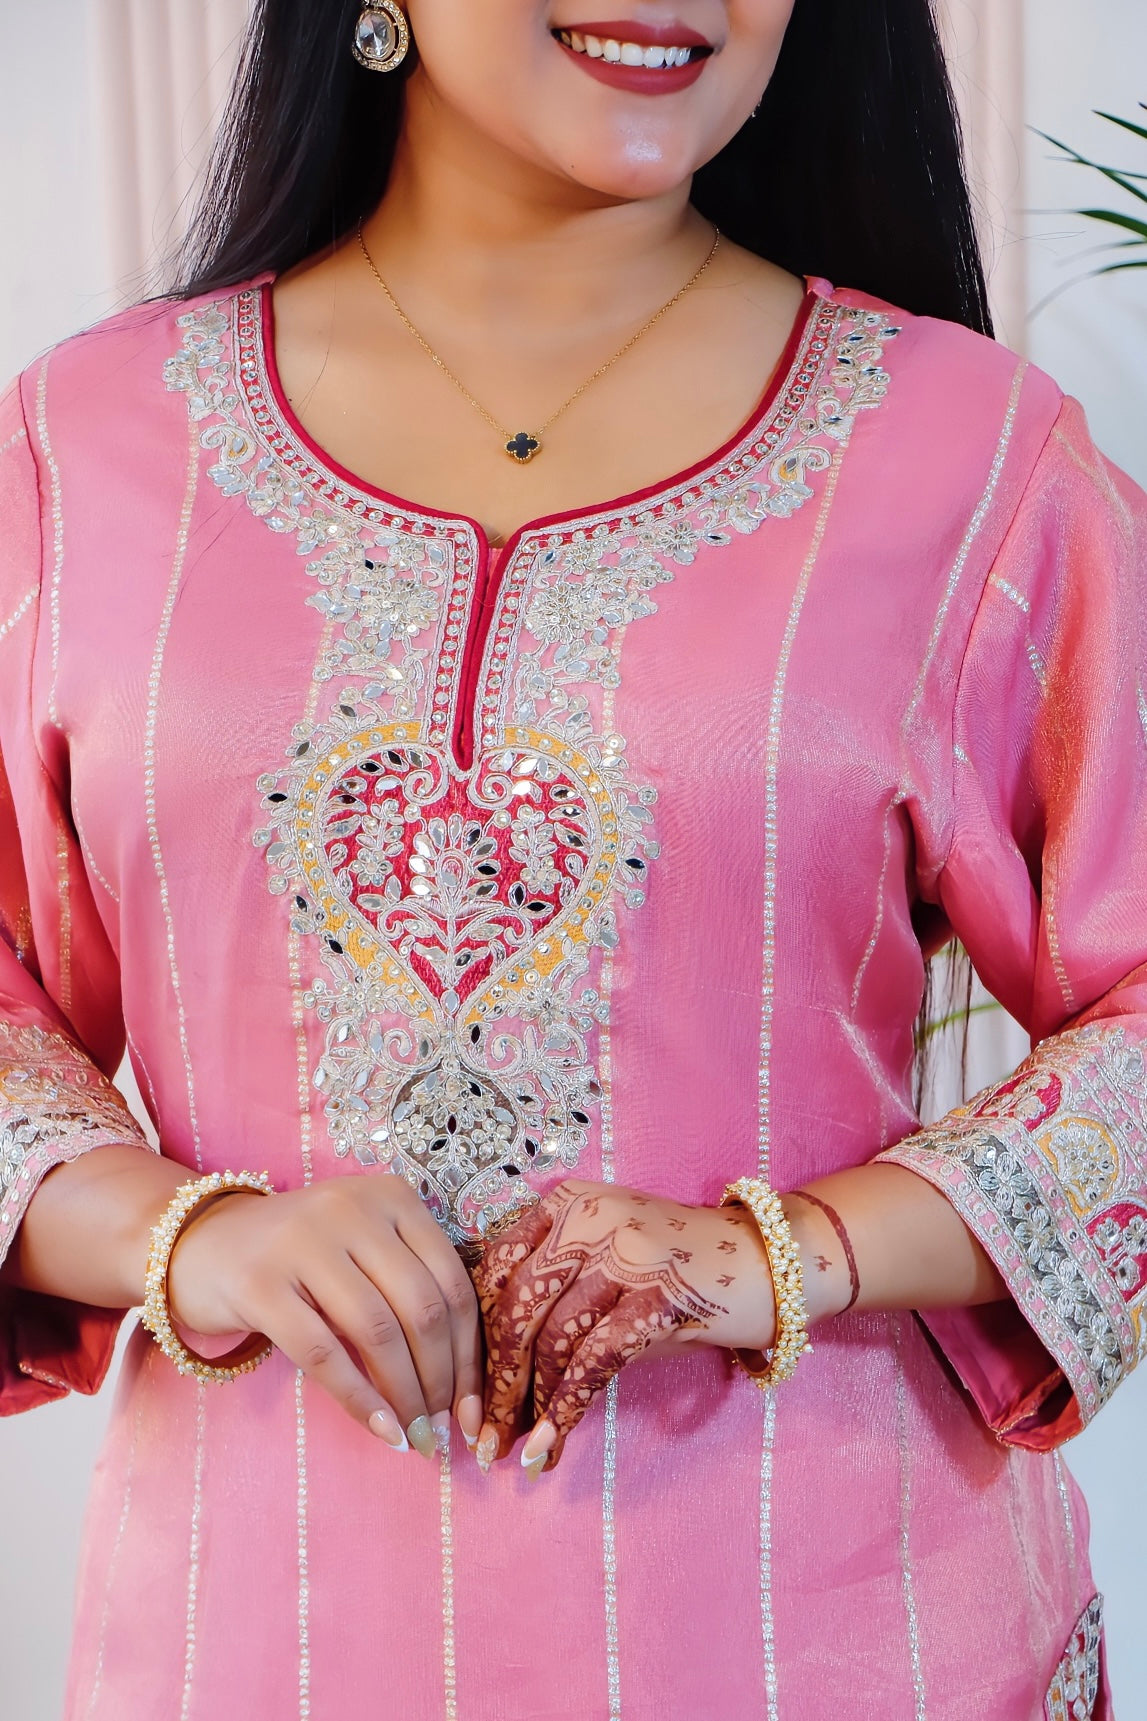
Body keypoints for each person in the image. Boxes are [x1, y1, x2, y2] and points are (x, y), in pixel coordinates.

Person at [0, 0, 1143, 1714]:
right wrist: (194, 1236)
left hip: (842, 1642)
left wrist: (783, 1254)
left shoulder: (977, 457)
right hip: (257, 1643)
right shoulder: (80, 452)